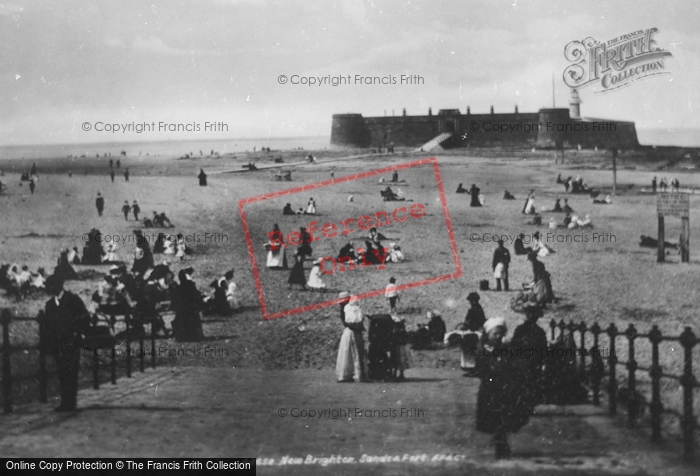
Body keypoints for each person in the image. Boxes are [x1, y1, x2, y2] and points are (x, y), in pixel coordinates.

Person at [476, 317, 535, 459]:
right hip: (490, 387)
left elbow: (512, 363)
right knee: (495, 417)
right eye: (495, 334)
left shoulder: (505, 347)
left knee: (504, 415)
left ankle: (500, 441)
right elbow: (482, 368)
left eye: (501, 334)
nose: (498, 337)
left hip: (504, 387)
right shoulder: (485, 348)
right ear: (488, 334)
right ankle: (500, 443)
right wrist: (491, 376)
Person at [40, 275, 90, 412]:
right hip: (58, 345)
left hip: (71, 343)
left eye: (50, 286)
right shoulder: (49, 305)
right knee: (62, 374)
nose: (48, 288)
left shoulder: (72, 299)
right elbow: (48, 327)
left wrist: (76, 331)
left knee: (71, 372)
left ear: (58, 285)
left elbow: (85, 316)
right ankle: (65, 402)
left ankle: (71, 402)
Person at [336, 295, 368, 382]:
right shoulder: (356, 309)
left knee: (347, 352)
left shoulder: (346, 309)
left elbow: (346, 322)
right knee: (356, 352)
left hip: (349, 332)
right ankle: (358, 374)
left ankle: (346, 374)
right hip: (355, 332)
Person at [171, 268, 204, 342]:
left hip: (182, 309)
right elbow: (196, 296)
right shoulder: (191, 286)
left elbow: (175, 299)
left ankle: (182, 337)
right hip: (190, 309)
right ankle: (193, 336)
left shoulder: (178, 287)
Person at [390, 313, 411, 381]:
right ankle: (399, 374)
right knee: (400, 360)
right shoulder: (401, 329)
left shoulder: (395, 329)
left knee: (396, 359)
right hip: (400, 345)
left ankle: (395, 374)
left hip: (397, 345)